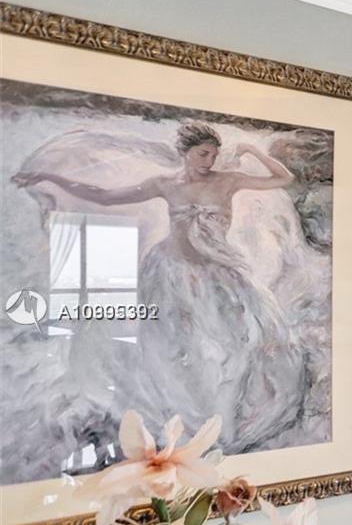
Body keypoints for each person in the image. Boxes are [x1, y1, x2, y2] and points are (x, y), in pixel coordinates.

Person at [13, 122, 308, 452]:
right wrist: (52, 179)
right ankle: (186, 419)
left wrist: (253, 151)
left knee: (240, 343)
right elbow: (106, 197)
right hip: (170, 273)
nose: (209, 161)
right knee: (172, 348)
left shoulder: (228, 181)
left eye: (213, 155)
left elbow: (284, 179)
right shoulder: (165, 184)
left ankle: (227, 419)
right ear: (185, 153)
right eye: (203, 154)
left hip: (216, 274)